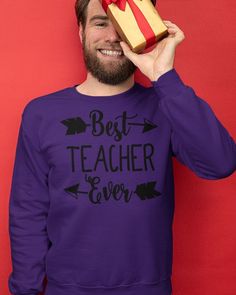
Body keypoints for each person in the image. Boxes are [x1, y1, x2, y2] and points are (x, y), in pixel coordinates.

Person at [8, 0, 236, 294]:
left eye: (123, 26)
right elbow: (28, 211)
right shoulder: (41, 114)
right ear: (81, 30)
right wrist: (25, 290)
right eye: (101, 23)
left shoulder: (166, 105)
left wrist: (164, 77)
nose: (113, 37)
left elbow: (221, 162)